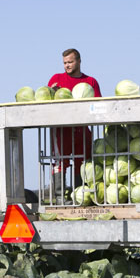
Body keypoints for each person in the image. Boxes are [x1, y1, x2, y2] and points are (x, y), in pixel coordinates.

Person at [47, 48, 101, 192]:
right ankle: (59, 196)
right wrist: (52, 92)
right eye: (65, 63)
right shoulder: (56, 79)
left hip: (82, 129)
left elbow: (98, 105)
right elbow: (46, 102)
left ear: (79, 61)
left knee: (83, 161)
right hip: (61, 130)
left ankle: (80, 193)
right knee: (60, 161)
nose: (67, 65)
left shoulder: (90, 81)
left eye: (70, 62)